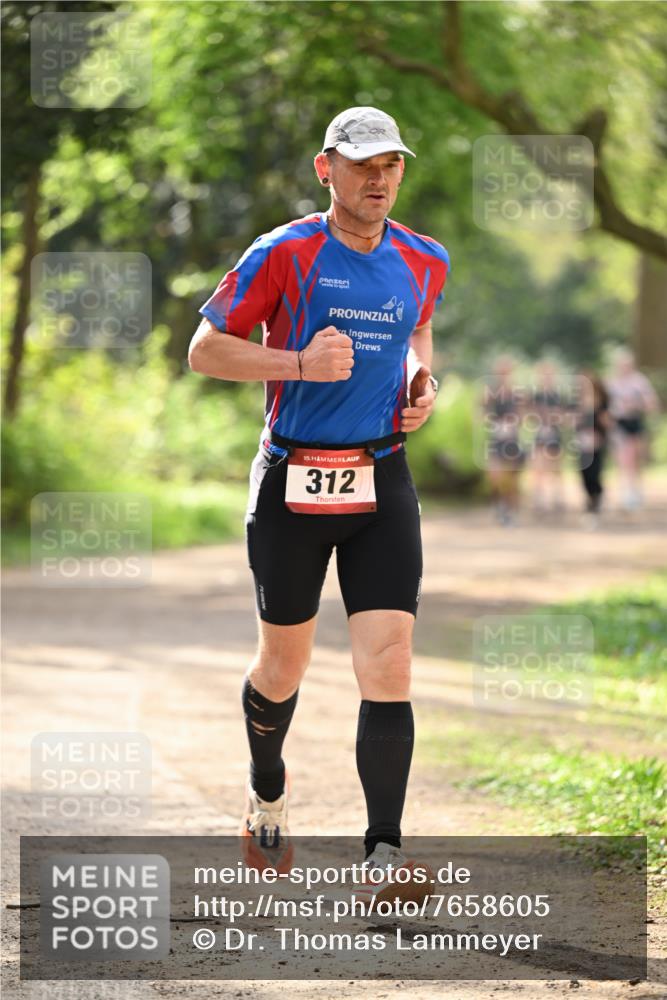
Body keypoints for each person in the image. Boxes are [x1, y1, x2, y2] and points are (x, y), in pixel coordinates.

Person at [188, 107, 449, 885]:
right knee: (282, 666)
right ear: (324, 168)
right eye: (362, 163)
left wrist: (421, 384)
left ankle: (384, 853)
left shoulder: (423, 258)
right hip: (292, 480)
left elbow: (418, 330)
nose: (379, 178)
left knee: (390, 663)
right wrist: (298, 365)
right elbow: (204, 352)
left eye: (391, 164)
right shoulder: (284, 251)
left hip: (381, 476)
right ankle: (267, 791)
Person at [606, 348, 659, 512]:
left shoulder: (639, 381)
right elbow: (604, 405)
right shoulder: (611, 383)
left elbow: (652, 402)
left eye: (627, 364)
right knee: (623, 459)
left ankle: (636, 491)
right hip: (619, 424)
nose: (624, 367)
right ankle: (626, 493)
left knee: (636, 460)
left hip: (635, 422)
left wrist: (637, 405)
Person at [482, 355, 525, 526]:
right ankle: (499, 505)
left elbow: (522, 417)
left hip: (511, 440)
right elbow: (482, 412)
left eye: (506, 372)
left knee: (511, 479)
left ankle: (510, 512)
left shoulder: (516, 392)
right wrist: (493, 422)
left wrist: (512, 422)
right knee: (495, 476)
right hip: (496, 439)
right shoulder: (490, 392)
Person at [573, 371, 611, 527]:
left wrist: (600, 436)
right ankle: (589, 499)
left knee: (595, 473)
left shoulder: (601, 402)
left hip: (596, 444)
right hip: (581, 443)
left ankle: (596, 500)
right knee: (583, 474)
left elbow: (607, 423)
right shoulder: (576, 403)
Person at [528, 360, 566, 514]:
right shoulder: (535, 396)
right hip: (540, 435)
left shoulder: (558, 396)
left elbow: (564, 417)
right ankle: (539, 500)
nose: (546, 378)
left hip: (555, 435)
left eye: (549, 375)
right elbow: (529, 416)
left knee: (556, 469)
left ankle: (557, 498)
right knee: (538, 468)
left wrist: (555, 416)